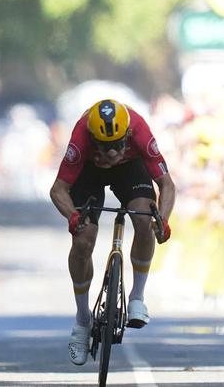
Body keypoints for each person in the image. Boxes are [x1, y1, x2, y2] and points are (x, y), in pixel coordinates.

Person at [49, 99, 175, 366]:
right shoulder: (81, 136)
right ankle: (83, 320)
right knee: (83, 242)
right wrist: (73, 216)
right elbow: (58, 189)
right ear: (93, 139)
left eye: (117, 146)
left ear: (127, 135)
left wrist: (162, 220)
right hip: (89, 173)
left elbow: (166, 183)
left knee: (144, 221)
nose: (111, 153)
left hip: (130, 170)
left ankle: (137, 297)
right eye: (104, 147)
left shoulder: (139, 128)